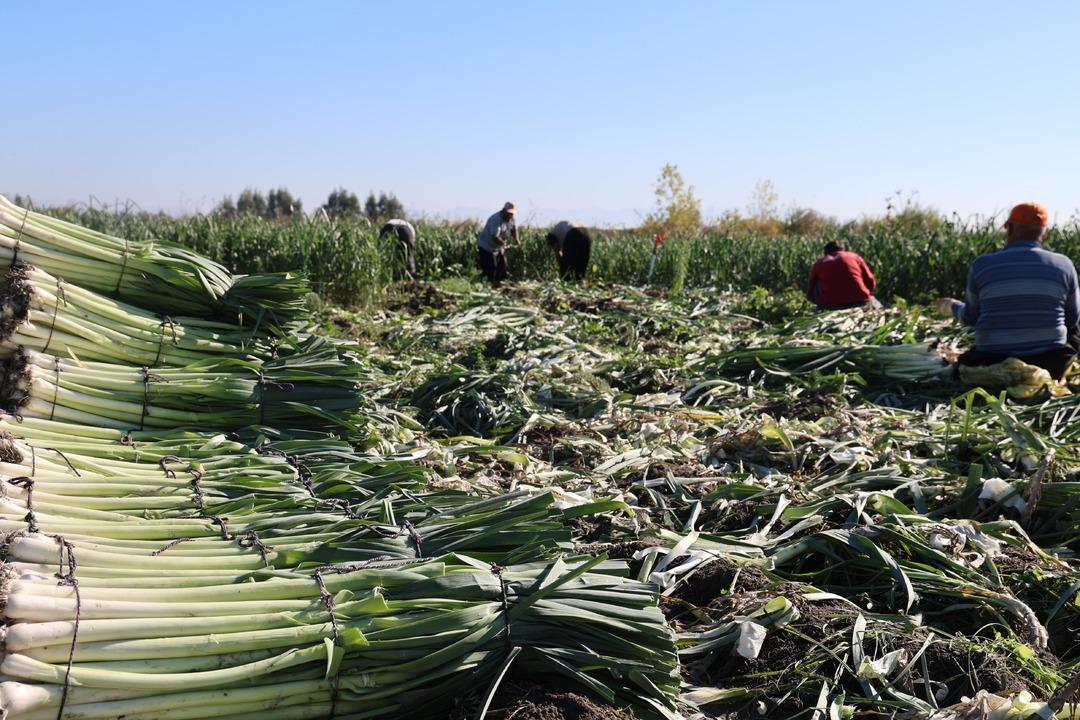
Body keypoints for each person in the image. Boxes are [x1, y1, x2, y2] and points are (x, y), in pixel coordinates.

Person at [936, 202, 1080, 380]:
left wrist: (952, 306)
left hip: (993, 361)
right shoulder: (1064, 265)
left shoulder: (982, 265)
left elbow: (971, 318)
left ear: (1010, 229)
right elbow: (1072, 319)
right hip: (1051, 362)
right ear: (1045, 232)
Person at [807, 241, 879, 310]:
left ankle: (821, 306)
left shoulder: (820, 263)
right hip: (861, 300)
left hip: (831, 304)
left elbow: (811, 289)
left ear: (826, 253)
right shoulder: (854, 257)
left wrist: (816, 301)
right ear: (842, 250)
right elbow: (870, 281)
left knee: (816, 282)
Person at [476, 201, 520, 286]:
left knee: (502, 267)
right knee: (490, 269)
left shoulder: (511, 218)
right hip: (486, 247)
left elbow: (514, 229)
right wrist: (503, 244)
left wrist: (517, 239)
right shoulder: (495, 219)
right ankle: (486, 285)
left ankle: (501, 285)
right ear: (504, 210)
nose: (510, 215)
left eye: (512, 213)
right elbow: (494, 237)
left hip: (498, 247)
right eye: (509, 213)